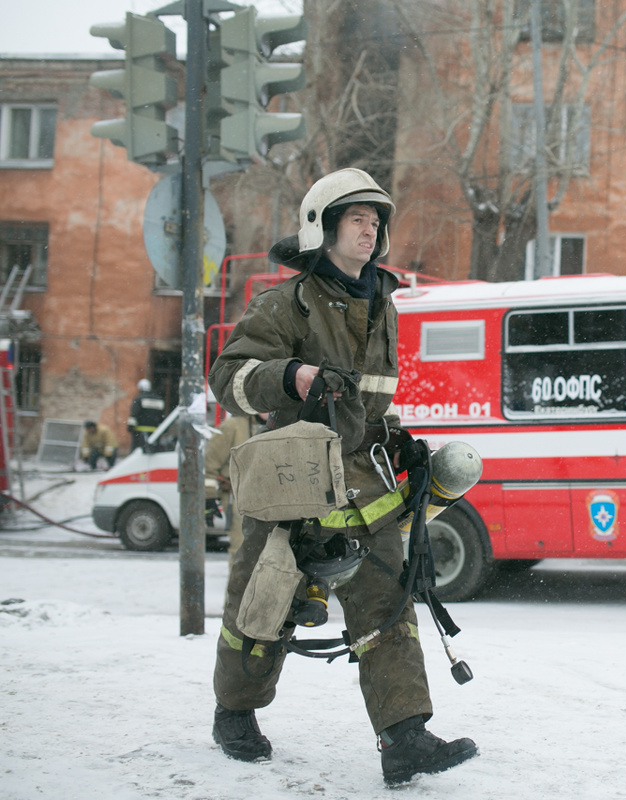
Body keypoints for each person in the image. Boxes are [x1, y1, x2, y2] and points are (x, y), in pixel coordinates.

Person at [205, 168, 477, 785]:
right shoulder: (285, 304)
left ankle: (405, 737)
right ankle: (236, 713)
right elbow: (228, 379)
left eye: (375, 220)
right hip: (293, 479)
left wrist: (398, 436)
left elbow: (370, 400)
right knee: (263, 605)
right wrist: (292, 376)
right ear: (322, 227)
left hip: (368, 482)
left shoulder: (383, 303)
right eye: (357, 217)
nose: (370, 227)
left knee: (387, 605)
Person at [203, 412, 268, 564]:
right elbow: (210, 462)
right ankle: (238, 588)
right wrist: (209, 497)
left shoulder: (280, 423)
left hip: (270, 500)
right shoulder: (233, 425)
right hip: (239, 498)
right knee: (243, 553)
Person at [127, 379, 166, 452]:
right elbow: (162, 416)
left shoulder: (139, 399)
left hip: (140, 433)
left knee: (138, 452)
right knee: (153, 452)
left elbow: (134, 415)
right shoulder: (159, 399)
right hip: (155, 433)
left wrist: (130, 427)